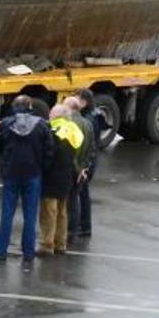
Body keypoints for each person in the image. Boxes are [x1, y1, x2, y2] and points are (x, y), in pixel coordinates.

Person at [0, 96, 52, 271]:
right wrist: (42, 168)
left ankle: (1, 250)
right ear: (30, 106)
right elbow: (49, 150)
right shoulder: (41, 125)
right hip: (33, 174)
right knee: (30, 215)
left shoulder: (7, 124)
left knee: (7, 214)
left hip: (11, 173)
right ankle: (28, 252)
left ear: (14, 107)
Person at [39, 103, 82, 256]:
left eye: (51, 114)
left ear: (57, 116)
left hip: (51, 178)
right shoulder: (73, 130)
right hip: (67, 177)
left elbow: (47, 154)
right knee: (62, 212)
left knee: (48, 212)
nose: (49, 116)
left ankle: (47, 244)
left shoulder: (53, 130)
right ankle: (60, 243)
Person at [66, 90, 98, 239]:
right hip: (86, 163)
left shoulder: (85, 121)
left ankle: (80, 227)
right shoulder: (90, 119)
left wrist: (82, 168)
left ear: (84, 102)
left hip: (83, 164)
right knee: (82, 194)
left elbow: (82, 146)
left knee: (78, 196)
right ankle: (84, 227)